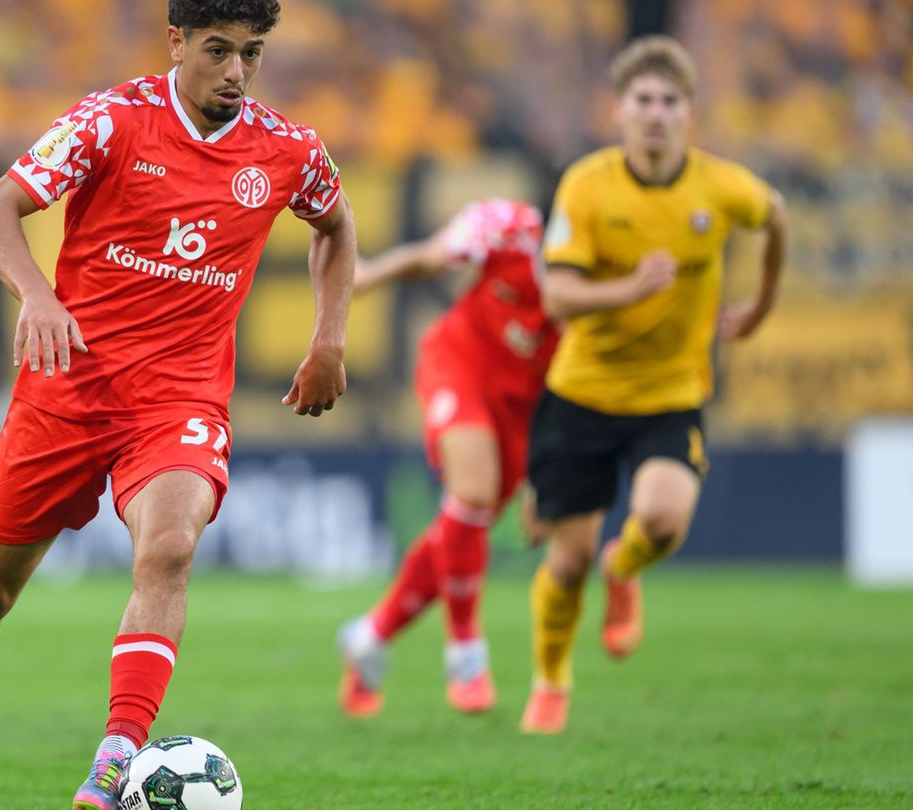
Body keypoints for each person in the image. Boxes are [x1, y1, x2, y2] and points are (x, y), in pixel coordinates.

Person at [0, 2, 356, 808]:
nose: (236, 72)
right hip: (67, 388)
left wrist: (330, 340)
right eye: (218, 51)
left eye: (252, 53)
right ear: (176, 42)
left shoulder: (287, 149)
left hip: (179, 398)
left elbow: (335, 228)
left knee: (169, 549)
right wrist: (36, 296)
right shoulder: (111, 121)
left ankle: (117, 758)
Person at [520, 35, 787, 734]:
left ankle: (626, 565)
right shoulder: (587, 184)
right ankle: (551, 681)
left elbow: (776, 216)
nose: (657, 113)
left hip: (671, 392)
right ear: (619, 110)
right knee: (566, 562)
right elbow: (556, 299)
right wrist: (630, 288)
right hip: (583, 391)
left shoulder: (722, 187)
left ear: (690, 113)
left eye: (671, 101)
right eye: (643, 100)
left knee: (664, 520)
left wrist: (759, 305)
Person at [336, 199, 558, 717]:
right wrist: (369, 276)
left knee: (461, 526)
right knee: (473, 495)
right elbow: (433, 257)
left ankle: (369, 639)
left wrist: (545, 479)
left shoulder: (605, 285)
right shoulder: (510, 228)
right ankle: (465, 652)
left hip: (523, 409)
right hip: (459, 365)